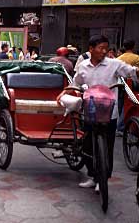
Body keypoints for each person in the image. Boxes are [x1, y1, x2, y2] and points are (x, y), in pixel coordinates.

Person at [57, 35, 139, 191]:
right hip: (90, 111)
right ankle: (93, 176)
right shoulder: (83, 66)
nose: (104, 51)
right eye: (100, 48)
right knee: (87, 147)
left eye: (105, 48)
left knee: (107, 148)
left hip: (110, 113)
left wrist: (137, 71)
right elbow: (76, 83)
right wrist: (64, 92)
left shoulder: (114, 64)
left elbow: (131, 72)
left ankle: (104, 179)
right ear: (91, 49)